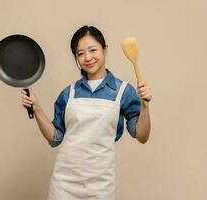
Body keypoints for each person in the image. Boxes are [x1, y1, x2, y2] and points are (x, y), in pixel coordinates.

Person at [21, 25, 152, 200]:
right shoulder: (69, 93)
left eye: (92, 50)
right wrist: (36, 108)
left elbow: (142, 136)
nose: (87, 58)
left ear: (105, 50)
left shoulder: (123, 91)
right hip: (64, 183)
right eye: (80, 53)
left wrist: (145, 106)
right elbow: (54, 138)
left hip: (101, 185)